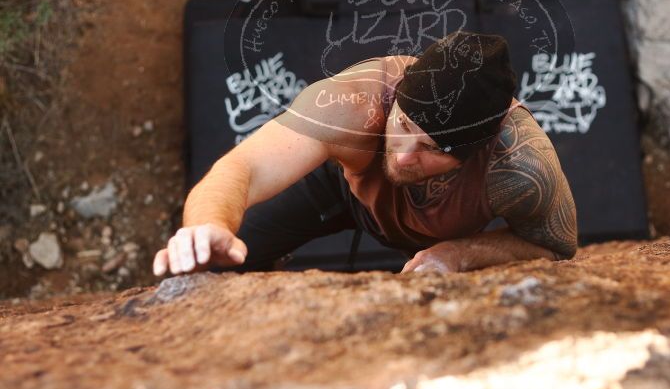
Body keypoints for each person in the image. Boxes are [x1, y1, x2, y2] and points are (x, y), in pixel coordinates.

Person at [152, 31, 578, 276]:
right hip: (341, 185)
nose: (405, 157)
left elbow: (556, 246)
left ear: (475, 151)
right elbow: (242, 166)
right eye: (404, 125)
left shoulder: (521, 165)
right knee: (216, 262)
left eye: (432, 149)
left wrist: (460, 252)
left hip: (433, 236)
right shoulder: (353, 104)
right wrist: (208, 224)